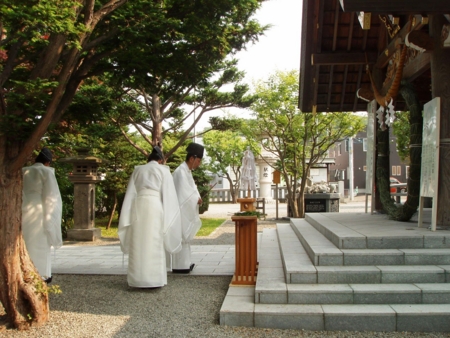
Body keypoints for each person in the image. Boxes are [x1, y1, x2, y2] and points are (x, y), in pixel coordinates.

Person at [118, 146, 182, 288]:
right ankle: (154, 279)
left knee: (138, 240)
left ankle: (137, 279)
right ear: (160, 160)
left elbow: (130, 194)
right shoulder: (163, 171)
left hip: (138, 205)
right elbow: (169, 195)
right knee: (154, 239)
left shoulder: (138, 170)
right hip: (154, 205)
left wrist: (126, 216)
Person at [22, 147, 63, 284]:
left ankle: (23, 271)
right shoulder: (46, 172)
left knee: (25, 242)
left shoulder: (23, 171)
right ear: (48, 162)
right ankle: (42, 273)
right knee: (41, 243)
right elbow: (52, 197)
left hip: (22, 208)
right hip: (38, 210)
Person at [171, 142, 204, 274]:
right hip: (180, 209)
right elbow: (183, 194)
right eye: (199, 161)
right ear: (192, 158)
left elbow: (192, 189)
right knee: (181, 235)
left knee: (185, 237)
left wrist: (198, 198)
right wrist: (195, 199)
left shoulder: (187, 171)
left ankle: (185, 263)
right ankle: (179, 265)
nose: (199, 164)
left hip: (184, 208)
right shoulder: (180, 172)